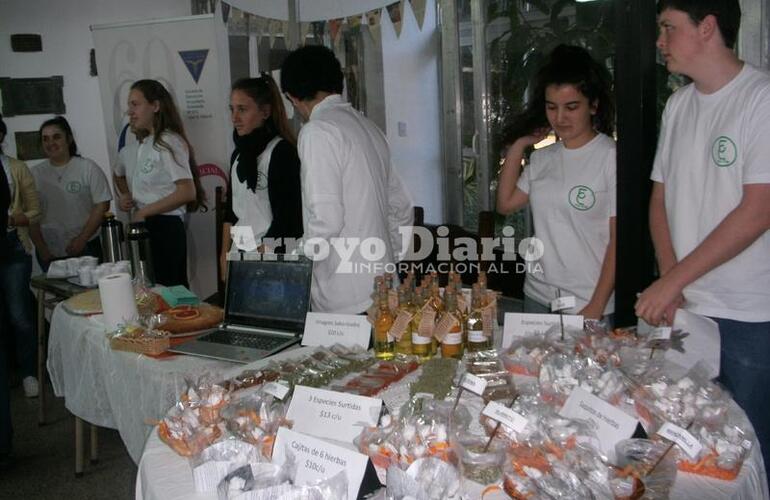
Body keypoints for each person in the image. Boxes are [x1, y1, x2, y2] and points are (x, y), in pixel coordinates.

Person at [636, 0, 770, 475]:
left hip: (748, 316)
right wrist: (674, 282)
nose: (660, 41)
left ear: (707, 27)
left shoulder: (761, 98)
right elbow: (660, 199)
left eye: (668, 28)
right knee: (690, 450)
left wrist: (672, 282)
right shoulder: (678, 104)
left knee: (750, 453)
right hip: (689, 310)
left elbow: (758, 210)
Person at [280, 45, 413, 314]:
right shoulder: (367, 126)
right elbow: (402, 207)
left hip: (343, 297)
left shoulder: (317, 131)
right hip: (384, 287)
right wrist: (384, 259)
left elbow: (326, 220)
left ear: (292, 97)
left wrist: (294, 266)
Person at [495, 45, 617, 323]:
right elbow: (505, 204)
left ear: (593, 105)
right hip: (538, 295)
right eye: (552, 108)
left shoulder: (610, 157)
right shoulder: (542, 158)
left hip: (588, 300)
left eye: (571, 107)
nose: (560, 118)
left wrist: (596, 306)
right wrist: (519, 144)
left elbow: (617, 241)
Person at [114, 79, 207, 287]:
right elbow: (117, 174)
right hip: (146, 226)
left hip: (165, 228)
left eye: (135, 104)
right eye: (129, 105)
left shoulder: (169, 141)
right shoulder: (144, 144)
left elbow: (187, 192)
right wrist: (125, 195)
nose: (130, 111)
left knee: (170, 295)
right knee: (150, 294)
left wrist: (144, 212)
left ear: (155, 106)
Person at [220, 74, 303, 278]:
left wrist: (260, 259)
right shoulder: (238, 155)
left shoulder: (282, 152)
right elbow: (231, 212)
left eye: (242, 109)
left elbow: (288, 220)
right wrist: (224, 255)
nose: (234, 118)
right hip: (241, 253)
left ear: (265, 111)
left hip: (273, 256)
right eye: (232, 109)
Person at [29, 117, 111, 270]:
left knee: (90, 294)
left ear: (69, 139)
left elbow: (102, 205)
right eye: (45, 139)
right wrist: (41, 247)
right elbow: (31, 214)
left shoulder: (87, 168)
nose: (51, 143)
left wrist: (82, 239)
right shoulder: (34, 174)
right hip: (49, 251)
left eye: (57, 137)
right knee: (62, 293)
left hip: (86, 247)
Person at [0, 114, 41, 403]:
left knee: (19, 315)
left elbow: (35, 210)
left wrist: (18, 218)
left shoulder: (15, 168)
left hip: (13, 247)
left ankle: (29, 372)